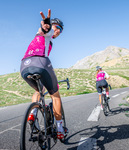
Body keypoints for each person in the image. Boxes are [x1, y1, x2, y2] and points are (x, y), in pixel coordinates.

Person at [20, 9, 66, 139]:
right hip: (40, 63)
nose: (58, 31)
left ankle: (33, 113)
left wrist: (46, 28)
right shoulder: (47, 33)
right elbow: (45, 30)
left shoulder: (42, 38)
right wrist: (45, 26)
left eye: (60, 30)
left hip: (24, 66)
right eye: (57, 27)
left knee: (39, 90)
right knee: (55, 95)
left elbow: (43, 31)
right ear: (51, 25)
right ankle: (60, 128)